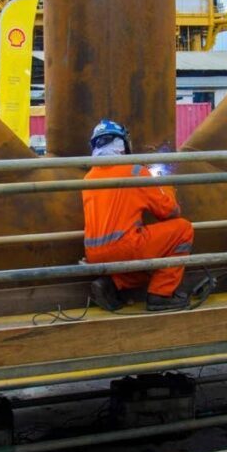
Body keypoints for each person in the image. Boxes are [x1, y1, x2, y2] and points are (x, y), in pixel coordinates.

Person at [82, 119, 195, 312]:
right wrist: (164, 185)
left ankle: (112, 284)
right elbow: (169, 211)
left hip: (93, 254)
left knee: (150, 266)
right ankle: (161, 295)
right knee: (183, 229)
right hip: (125, 247)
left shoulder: (88, 177)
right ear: (122, 143)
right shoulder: (134, 171)